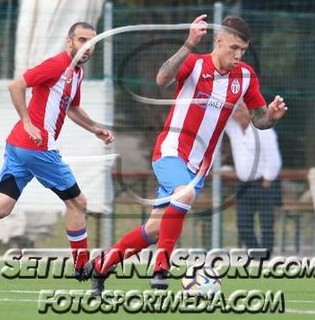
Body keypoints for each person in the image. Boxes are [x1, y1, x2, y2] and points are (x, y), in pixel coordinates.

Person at [83, 14, 287, 295]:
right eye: (234, 48)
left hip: (198, 165)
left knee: (154, 230)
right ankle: (160, 268)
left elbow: (259, 120)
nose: (238, 55)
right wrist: (189, 44)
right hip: (170, 150)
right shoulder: (195, 63)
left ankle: (101, 266)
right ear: (219, 41)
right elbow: (162, 78)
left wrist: (272, 116)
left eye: (243, 49)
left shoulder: (245, 76)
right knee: (185, 194)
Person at [0, 22, 114, 280]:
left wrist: (95, 128)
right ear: (69, 41)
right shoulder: (57, 65)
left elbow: (72, 108)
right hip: (36, 148)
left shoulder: (76, 73)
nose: (86, 47)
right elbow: (16, 85)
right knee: (78, 202)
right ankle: (82, 267)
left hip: (20, 146)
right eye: (81, 40)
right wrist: (28, 121)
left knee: (4, 206)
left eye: (91, 43)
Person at [225, 103, 282, 255]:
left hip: (263, 183)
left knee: (266, 223)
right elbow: (221, 113)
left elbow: (274, 158)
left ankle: (267, 257)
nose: (236, 114)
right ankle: (256, 256)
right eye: (235, 111)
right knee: (243, 223)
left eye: (240, 110)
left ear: (250, 112)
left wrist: (268, 180)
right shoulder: (233, 128)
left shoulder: (263, 131)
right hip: (243, 185)